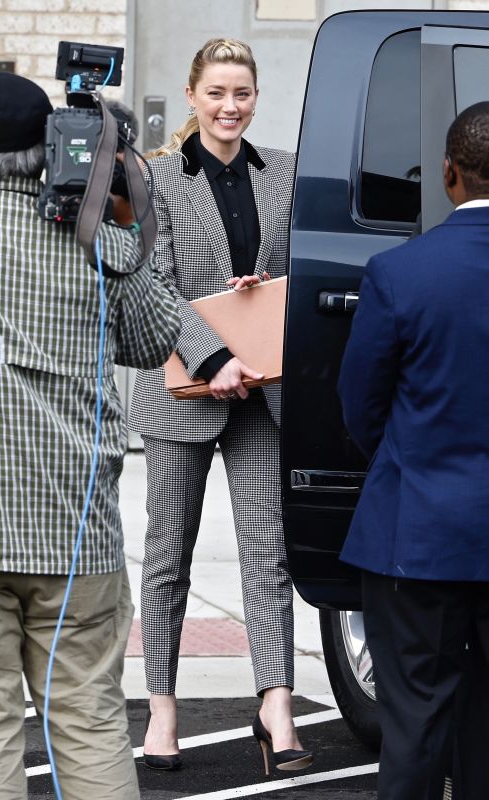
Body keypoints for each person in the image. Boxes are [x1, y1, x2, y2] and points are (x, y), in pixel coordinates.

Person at [0, 71, 180, 800]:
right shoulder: (93, 238)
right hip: (74, 531)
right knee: (89, 719)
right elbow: (158, 334)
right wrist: (127, 215)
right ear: (49, 146)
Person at [128, 38, 314, 775]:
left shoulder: (286, 174)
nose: (230, 106)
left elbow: (301, 268)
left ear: (256, 97)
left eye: (242, 93)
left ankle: (276, 704)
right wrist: (217, 355)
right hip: (184, 390)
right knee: (167, 559)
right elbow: (155, 282)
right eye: (217, 93)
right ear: (193, 97)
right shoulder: (159, 178)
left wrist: (261, 291)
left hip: (261, 391)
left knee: (268, 555)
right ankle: (163, 707)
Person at [337, 101, 489, 799]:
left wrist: (409, 458)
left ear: (451, 174)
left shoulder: (400, 273)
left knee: (416, 723)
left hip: (419, 532)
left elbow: (360, 403)